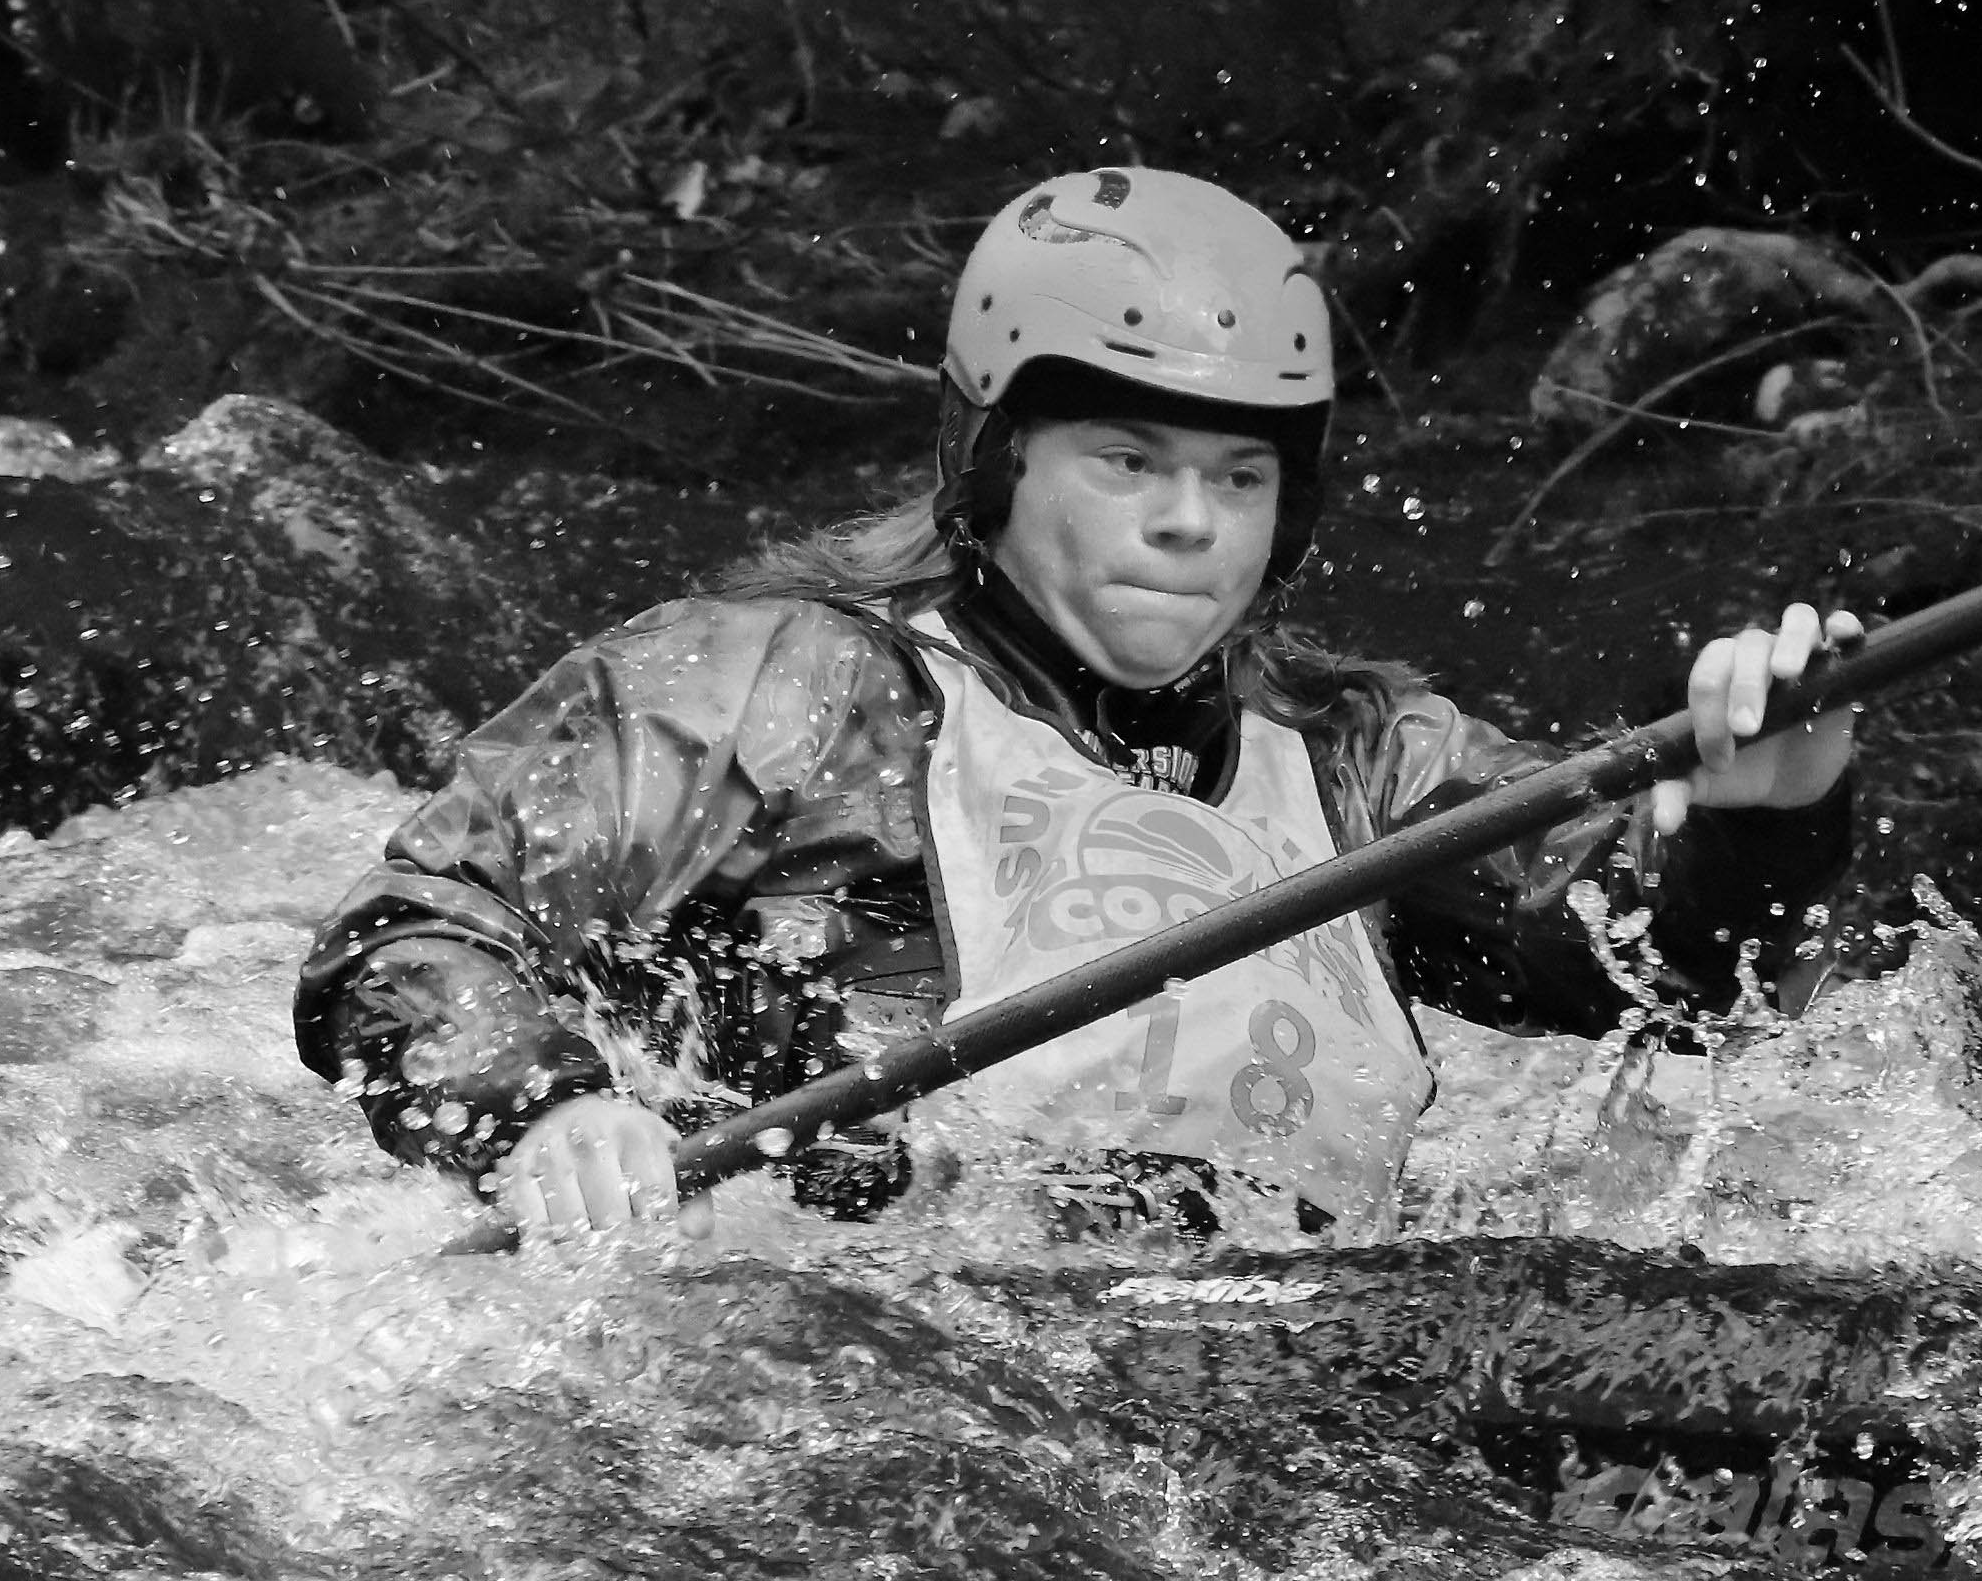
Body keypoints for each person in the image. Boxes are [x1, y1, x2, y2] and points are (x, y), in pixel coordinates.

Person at [296, 165, 1858, 1244]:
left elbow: (1660, 987)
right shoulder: (780, 682)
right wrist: (550, 1115)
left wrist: (1764, 820)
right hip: (876, 1355)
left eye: (1239, 476)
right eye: (1127, 462)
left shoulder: (1357, 751)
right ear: (995, 464)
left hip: (1278, 1358)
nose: (1192, 523)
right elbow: (415, 929)